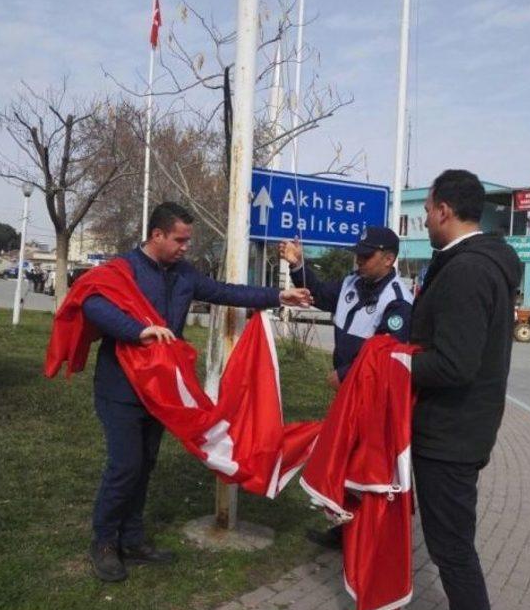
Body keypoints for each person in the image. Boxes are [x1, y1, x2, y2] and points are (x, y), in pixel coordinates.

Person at [82, 201, 312, 582]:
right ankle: (104, 542)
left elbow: (226, 292)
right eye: (180, 239)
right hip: (120, 388)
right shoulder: (122, 269)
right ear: (157, 235)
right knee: (124, 466)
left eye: (188, 240)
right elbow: (92, 305)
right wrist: (137, 331)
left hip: (162, 393)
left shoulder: (185, 274)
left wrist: (277, 297)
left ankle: (133, 539)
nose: (186, 246)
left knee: (145, 464)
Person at [399, 170, 521, 610]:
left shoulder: (468, 271)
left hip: (451, 435)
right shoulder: (473, 264)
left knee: (454, 554)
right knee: (453, 547)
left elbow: (454, 363)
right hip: (455, 429)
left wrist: (395, 364)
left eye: (425, 209)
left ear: (444, 209)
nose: (423, 220)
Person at [279, 225, 413, 548]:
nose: (359, 262)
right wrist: (298, 266)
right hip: (349, 393)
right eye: (358, 254)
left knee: (367, 466)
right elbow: (322, 293)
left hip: (372, 396)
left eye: (367, 257)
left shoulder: (398, 301)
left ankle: (372, 533)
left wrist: (345, 374)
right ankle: (346, 528)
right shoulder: (352, 282)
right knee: (346, 460)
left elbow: (386, 356)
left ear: (388, 259)